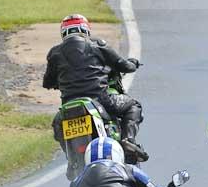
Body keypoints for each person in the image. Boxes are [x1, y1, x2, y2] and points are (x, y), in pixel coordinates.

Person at [43, 14, 148, 162]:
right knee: (133, 105)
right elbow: (124, 66)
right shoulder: (97, 44)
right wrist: (133, 63)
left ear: (64, 33)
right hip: (102, 99)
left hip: (69, 105)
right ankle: (128, 141)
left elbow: (47, 82)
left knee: (57, 124)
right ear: (85, 30)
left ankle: (72, 161)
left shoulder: (54, 53)